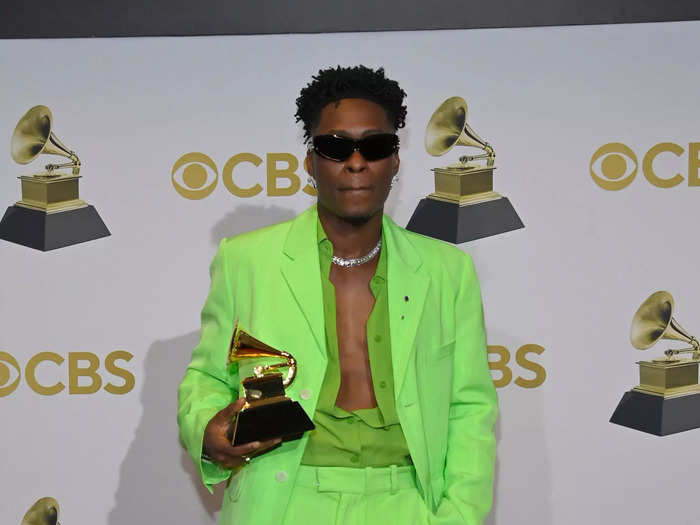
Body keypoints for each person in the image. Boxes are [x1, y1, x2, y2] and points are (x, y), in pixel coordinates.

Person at [178, 65, 498, 525]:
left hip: (407, 503)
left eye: (375, 146)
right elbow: (206, 378)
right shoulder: (247, 261)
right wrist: (205, 428)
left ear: (396, 160)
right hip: (286, 500)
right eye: (334, 147)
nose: (356, 162)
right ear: (311, 162)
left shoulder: (448, 272)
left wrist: (459, 516)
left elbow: (470, 408)